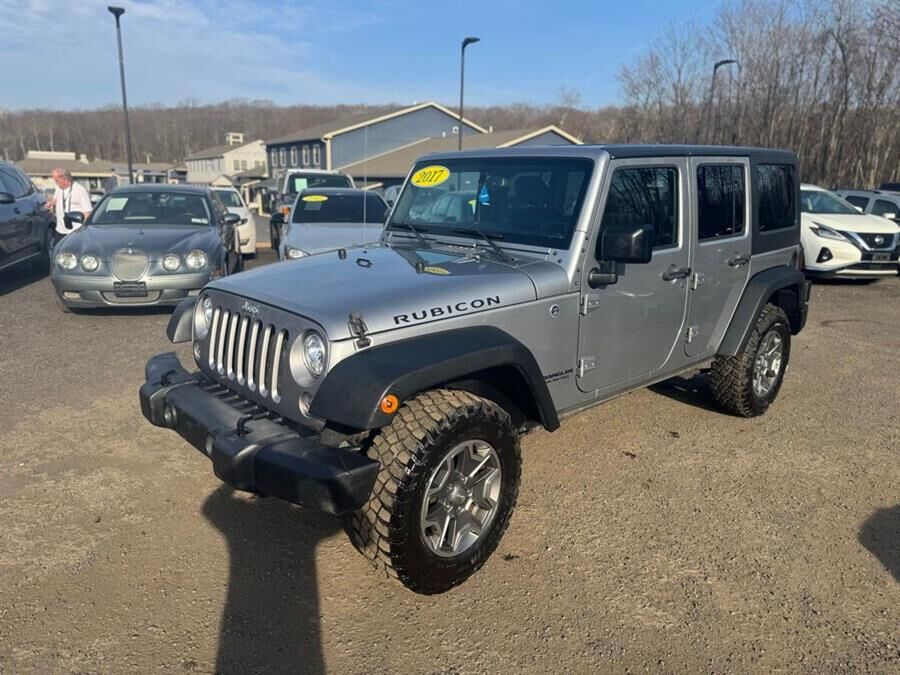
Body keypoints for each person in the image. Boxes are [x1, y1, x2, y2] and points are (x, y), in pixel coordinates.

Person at [45, 168, 92, 245]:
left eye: (57, 181)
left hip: (75, 231)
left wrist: (84, 231)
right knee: (57, 253)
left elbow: (87, 212)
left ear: (64, 179)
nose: (56, 183)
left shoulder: (79, 190)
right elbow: (55, 199)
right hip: (60, 230)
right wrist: (51, 203)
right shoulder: (59, 188)